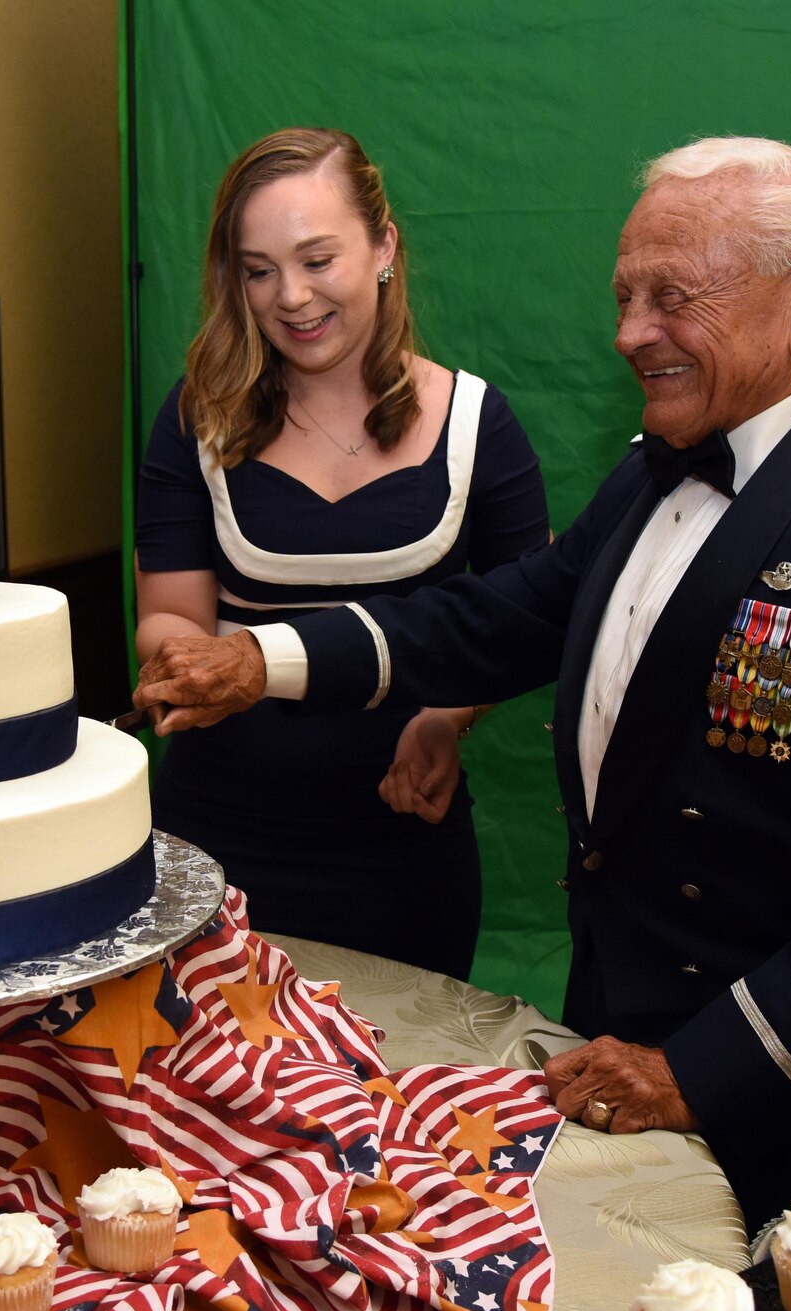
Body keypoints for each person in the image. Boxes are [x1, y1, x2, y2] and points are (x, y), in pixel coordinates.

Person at [131, 137, 791, 1231]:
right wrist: (254, 659)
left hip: (753, 1070)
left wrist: (697, 1071)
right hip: (608, 1023)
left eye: (670, 297)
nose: (626, 334)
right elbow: (495, 617)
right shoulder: (652, 469)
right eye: (622, 297)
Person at [133, 127, 550, 979]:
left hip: (400, 847)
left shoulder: (478, 424)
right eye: (258, 270)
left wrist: (446, 715)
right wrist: (186, 662)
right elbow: (169, 614)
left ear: (384, 246)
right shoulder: (195, 417)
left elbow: (523, 622)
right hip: (213, 840)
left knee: (389, 1097)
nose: (291, 296)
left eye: (318, 259)